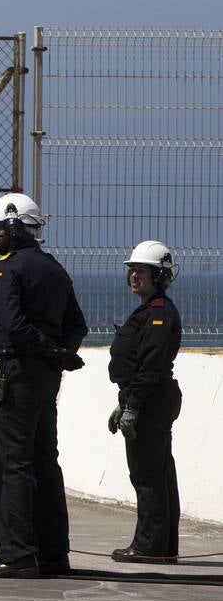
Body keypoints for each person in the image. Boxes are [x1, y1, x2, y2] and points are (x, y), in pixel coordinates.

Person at [0, 192, 88, 578]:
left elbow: (14, 325)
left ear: (11, 226)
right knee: (45, 462)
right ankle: (54, 554)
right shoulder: (54, 268)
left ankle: (17, 555)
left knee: (13, 464)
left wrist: (49, 352)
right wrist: (59, 353)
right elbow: (77, 325)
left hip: (19, 372)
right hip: (47, 377)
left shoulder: (8, 269)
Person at [107, 240, 183, 564]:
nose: (134, 276)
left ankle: (149, 547)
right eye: (132, 270)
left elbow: (150, 366)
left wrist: (133, 406)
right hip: (146, 399)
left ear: (160, 277)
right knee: (158, 471)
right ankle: (162, 546)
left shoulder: (158, 314)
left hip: (150, 402)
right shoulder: (148, 311)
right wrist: (123, 402)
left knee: (148, 474)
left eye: (142, 271)